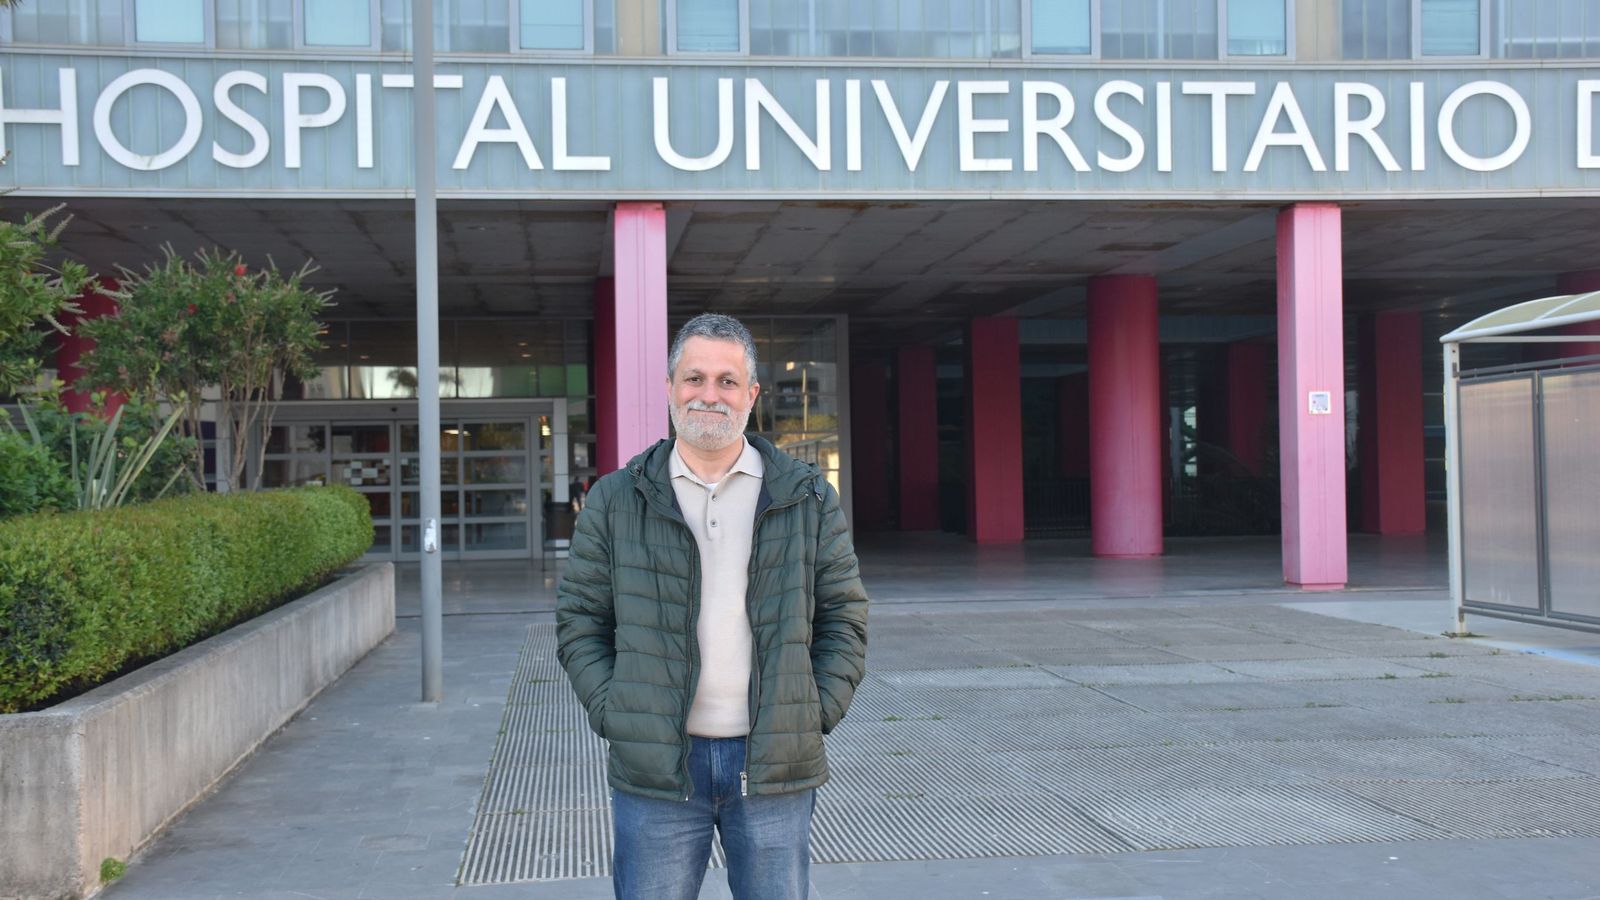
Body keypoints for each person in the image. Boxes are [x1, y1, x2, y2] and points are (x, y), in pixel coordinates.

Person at [556, 313, 868, 900]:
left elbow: (844, 617)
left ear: (751, 394)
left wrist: (812, 712)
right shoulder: (616, 498)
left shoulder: (806, 496)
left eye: (728, 381)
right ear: (671, 387)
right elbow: (580, 620)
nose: (709, 394)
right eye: (695, 377)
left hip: (774, 763)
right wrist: (616, 712)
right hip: (658, 771)